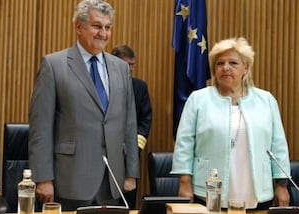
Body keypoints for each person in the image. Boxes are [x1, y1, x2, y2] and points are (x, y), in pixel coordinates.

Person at [28, 0, 139, 211]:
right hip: (70, 180)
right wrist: (42, 178)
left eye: (108, 27)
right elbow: (40, 128)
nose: (103, 33)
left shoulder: (121, 69)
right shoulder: (54, 65)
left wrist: (131, 172)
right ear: (78, 27)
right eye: (97, 26)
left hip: (112, 180)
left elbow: (130, 123)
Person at [171, 37, 290, 210]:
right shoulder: (198, 99)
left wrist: (281, 185)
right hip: (209, 190)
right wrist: (184, 182)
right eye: (220, 63)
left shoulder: (266, 100)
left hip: (256, 190)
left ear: (246, 67)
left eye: (233, 63)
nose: (225, 67)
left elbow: (278, 146)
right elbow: (184, 144)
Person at [111, 44, 152, 208]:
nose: (130, 70)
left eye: (132, 65)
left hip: (130, 156)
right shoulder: (102, 84)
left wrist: (134, 148)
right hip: (103, 155)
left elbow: (145, 120)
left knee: (127, 202)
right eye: (126, 65)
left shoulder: (139, 87)